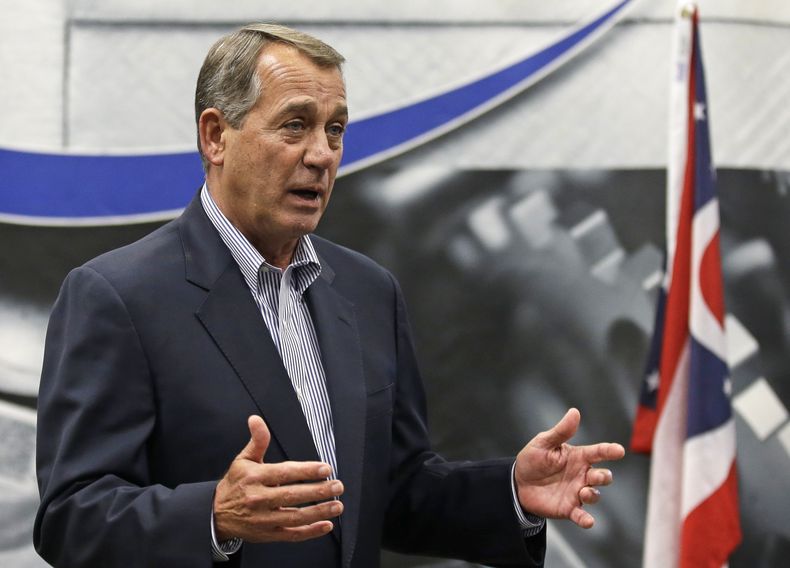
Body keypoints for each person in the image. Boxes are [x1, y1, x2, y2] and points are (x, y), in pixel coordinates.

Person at [34, 23, 625, 568]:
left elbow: (395, 490)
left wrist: (510, 493)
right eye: (295, 125)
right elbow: (70, 517)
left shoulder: (369, 291)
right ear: (215, 136)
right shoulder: (118, 296)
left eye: (334, 129)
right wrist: (213, 517)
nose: (321, 154)